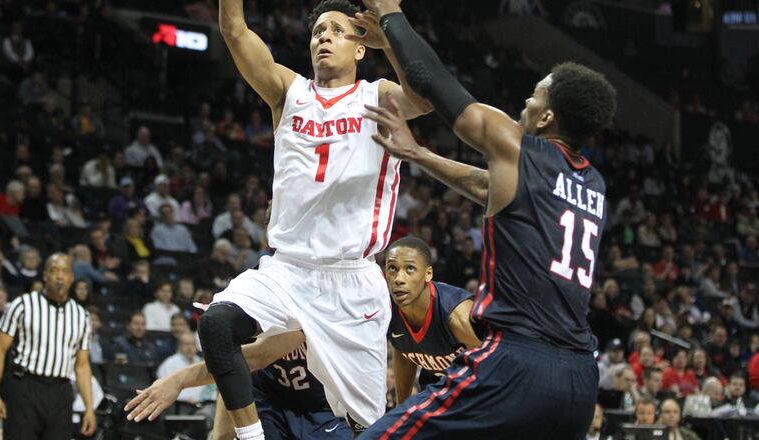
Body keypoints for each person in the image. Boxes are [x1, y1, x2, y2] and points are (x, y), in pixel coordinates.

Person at [358, 0, 616, 437]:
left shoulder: (515, 145)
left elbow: (433, 82)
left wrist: (389, 14)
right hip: (578, 377)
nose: (526, 101)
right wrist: (419, 154)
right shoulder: (593, 185)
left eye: (535, 95)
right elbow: (486, 187)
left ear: (548, 116)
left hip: (516, 360)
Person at [199, 0, 430, 437]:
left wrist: (392, 39)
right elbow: (234, 30)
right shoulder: (290, 92)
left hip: (352, 281)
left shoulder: (377, 96)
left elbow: (426, 95)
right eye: (318, 31)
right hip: (287, 269)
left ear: (361, 48)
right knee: (216, 323)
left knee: (368, 425)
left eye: (337, 31)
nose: (323, 36)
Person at [125, 332, 354, 439]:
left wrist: (179, 379)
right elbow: (232, 370)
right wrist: (220, 435)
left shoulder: (314, 304)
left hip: (320, 407)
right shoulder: (248, 313)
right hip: (270, 399)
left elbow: (259, 355)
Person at [0, 253, 95, 439]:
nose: (60, 276)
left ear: (71, 277)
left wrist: (89, 408)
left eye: (65, 271)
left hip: (61, 391)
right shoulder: (22, 305)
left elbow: (82, 365)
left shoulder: (82, 316)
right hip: (25, 386)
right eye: (54, 271)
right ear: (45, 275)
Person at [384, 237, 480, 404]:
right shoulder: (388, 310)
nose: (399, 278)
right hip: (436, 387)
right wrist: (402, 408)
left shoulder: (457, 316)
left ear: (428, 274)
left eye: (410, 269)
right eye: (393, 268)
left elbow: (497, 363)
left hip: (475, 393)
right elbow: (404, 350)